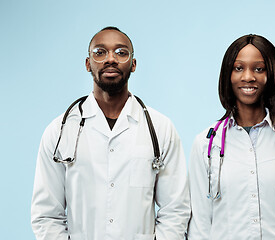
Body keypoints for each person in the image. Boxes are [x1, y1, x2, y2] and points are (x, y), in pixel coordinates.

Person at [31, 26, 190, 240]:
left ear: (133, 65)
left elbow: (176, 210)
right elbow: (46, 216)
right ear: (88, 64)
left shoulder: (160, 128)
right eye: (100, 52)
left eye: (121, 52)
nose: (111, 59)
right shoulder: (59, 131)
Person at [187, 34, 275, 239]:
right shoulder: (206, 144)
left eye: (259, 69)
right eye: (238, 68)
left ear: (272, 74)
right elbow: (200, 225)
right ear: (228, 75)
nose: (248, 77)